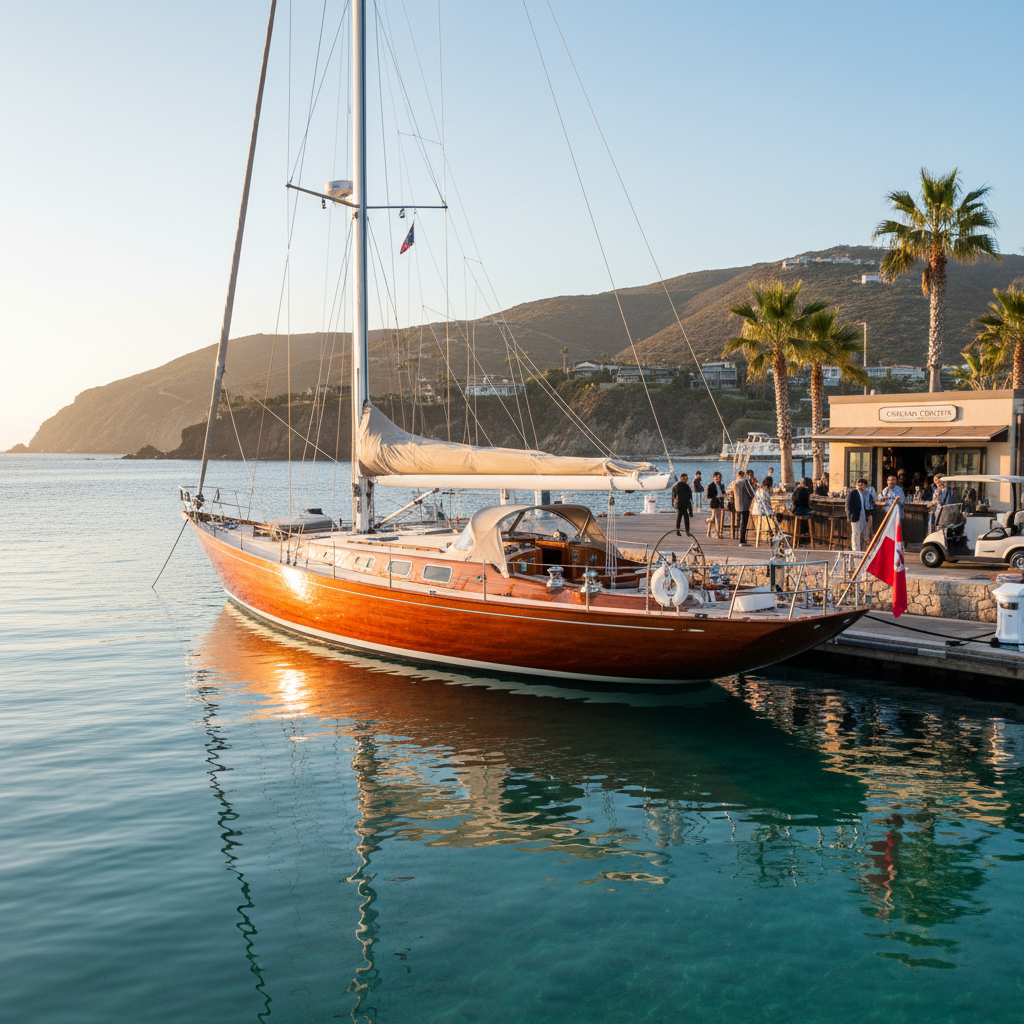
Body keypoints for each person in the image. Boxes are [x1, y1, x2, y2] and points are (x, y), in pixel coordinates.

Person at [731, 469, 755, 546]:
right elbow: (750, 492)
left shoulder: (734, 482)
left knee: (740, 522)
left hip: (737, 505)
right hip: (745, 505)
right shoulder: (745, 482)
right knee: (744, 523)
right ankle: (742, 540)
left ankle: (739, 538)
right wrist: (754, 496)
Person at [847, 478, 869, 552]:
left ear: (866, 486)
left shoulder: (865, 494)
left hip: (863, 515)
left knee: (862, 532)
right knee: (855, 533)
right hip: (855, 515)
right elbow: (848, 505)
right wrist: (849, 515)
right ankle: (855, 549)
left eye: (862, 485)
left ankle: (860, 548)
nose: (860, 487)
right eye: (858, 485)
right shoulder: (853, 493)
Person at [753, 476, 777, 541]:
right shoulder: (765, 492)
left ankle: (770, 533)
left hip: (756, 511)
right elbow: (768, 505)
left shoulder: (758, 490)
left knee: (773, 516)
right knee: (777, 517)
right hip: (763, 511)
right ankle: (774, 534)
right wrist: (772, 513)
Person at [706, 471, 725, 539]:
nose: (717, 479)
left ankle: (709, 523)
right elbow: (708, 496)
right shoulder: (711, 486)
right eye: (716, 478)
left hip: (720, 502)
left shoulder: (721, 485)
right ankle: (718, 533)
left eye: (719, 478)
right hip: (714, 502)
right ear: (713, 478)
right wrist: (716, 496)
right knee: (716, 518)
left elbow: (723, 493)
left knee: (716, 518)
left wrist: (724, 496)